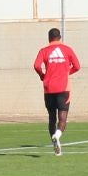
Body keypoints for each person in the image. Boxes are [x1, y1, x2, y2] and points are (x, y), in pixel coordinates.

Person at [31, 28, 81, 156]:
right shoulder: (67, 49)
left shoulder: (44, 51)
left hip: (49, 88)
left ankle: (54, 143)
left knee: (52, 117)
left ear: (49, 38)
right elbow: (77, 66)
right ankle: (57, 135)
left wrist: (42, 75)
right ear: (60, 37)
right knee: (62, 117)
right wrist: (66, 72)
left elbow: (36, 65)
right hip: (63, 88)